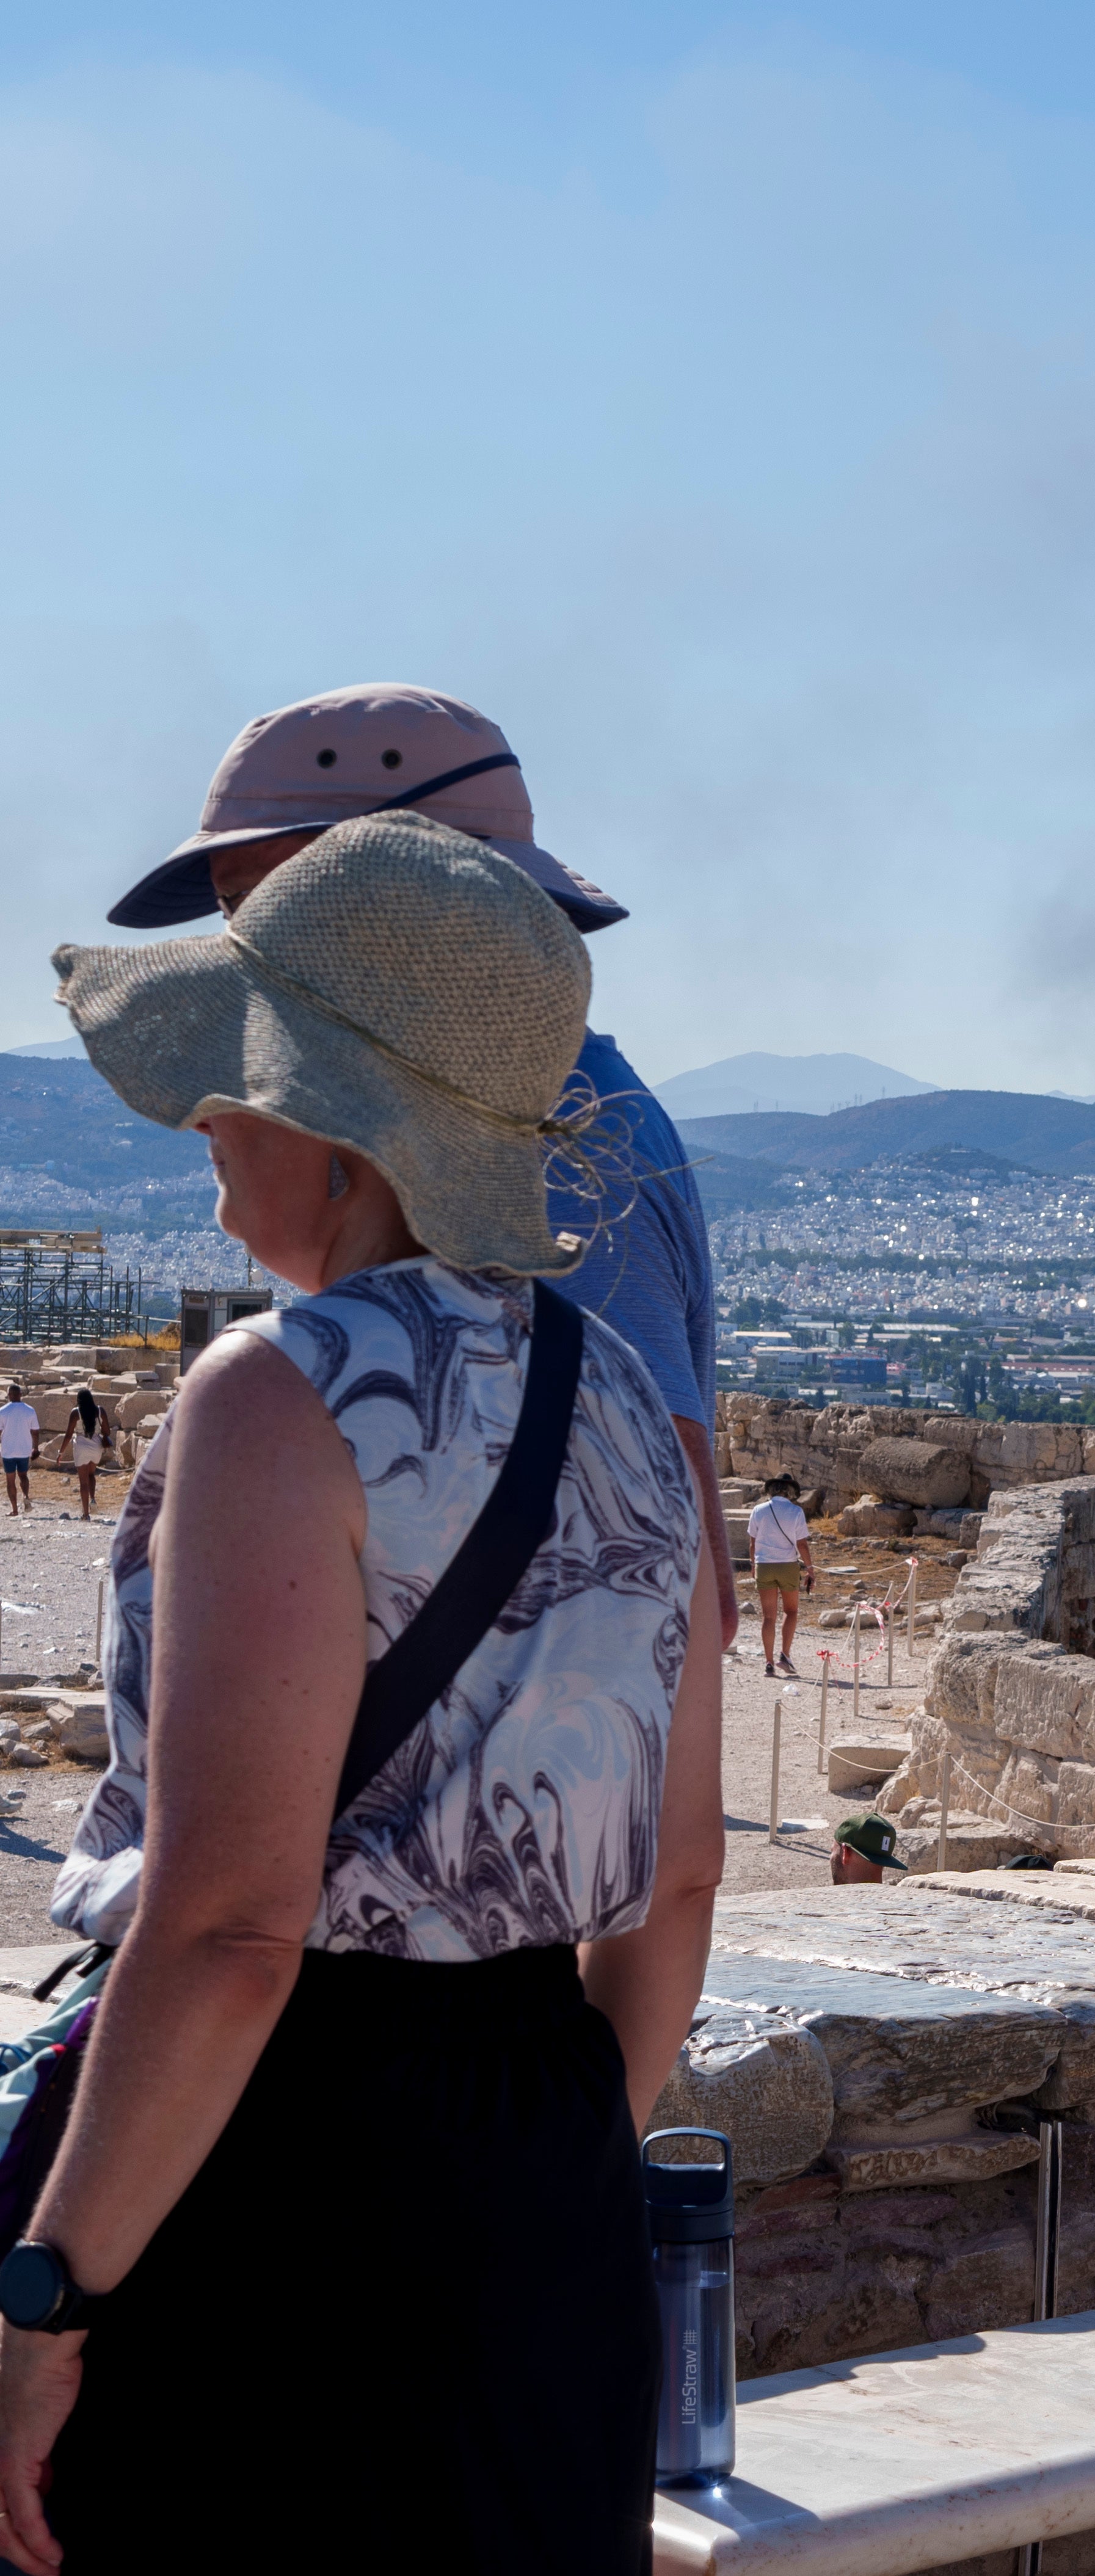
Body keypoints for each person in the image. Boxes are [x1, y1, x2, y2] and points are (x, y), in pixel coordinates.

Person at [0, 813, 721, 2572]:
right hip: (549, 2155)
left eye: (235, 1084)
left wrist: (43, 2301)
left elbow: (235, 1926)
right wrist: (533, 2159)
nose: (205, 1128)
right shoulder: (630, 1395)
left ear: (336, 1127)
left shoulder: (278, 1395)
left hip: (274, 2174)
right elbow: (683, 1879)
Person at [104, 683, 735, 1665]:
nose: (238, 946)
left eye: (254, 904)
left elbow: (664, 1586)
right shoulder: (535, 1103)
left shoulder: (540, 1139)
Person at [749, 1473, 815, 1676]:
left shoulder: (758, 1510)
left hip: (764, 1565)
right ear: (790, 1491)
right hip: (787, 1565)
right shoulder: (796, 1511)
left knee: (768, 1616)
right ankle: (784, 1655)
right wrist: (810, 1568)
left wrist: (753, 1565)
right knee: (791, 1611)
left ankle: (768, 1663)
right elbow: (802, 1544)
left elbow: (752, 1543)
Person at [67, 1388, 106, 1521]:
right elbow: (107, 1431)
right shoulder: (100, 1411)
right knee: (91, 1474)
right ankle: (93, 1500)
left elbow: (68, 1434)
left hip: (81, 1446)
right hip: (96, 1446)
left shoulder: (76, 1413)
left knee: (83, 1483)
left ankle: (86, 1514)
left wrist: (60, 1452)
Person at [0, 1386, 30, 1518]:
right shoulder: (30, 1410)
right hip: (24, 1449)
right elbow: (35, 1431)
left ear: (9, 1395)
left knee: (10, 1480)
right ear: (20, 1394)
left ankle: (14, 1510)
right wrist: (35, 1448)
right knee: (23, 1475)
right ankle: (26, 1496)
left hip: (8, 1450)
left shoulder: (2, 1411)